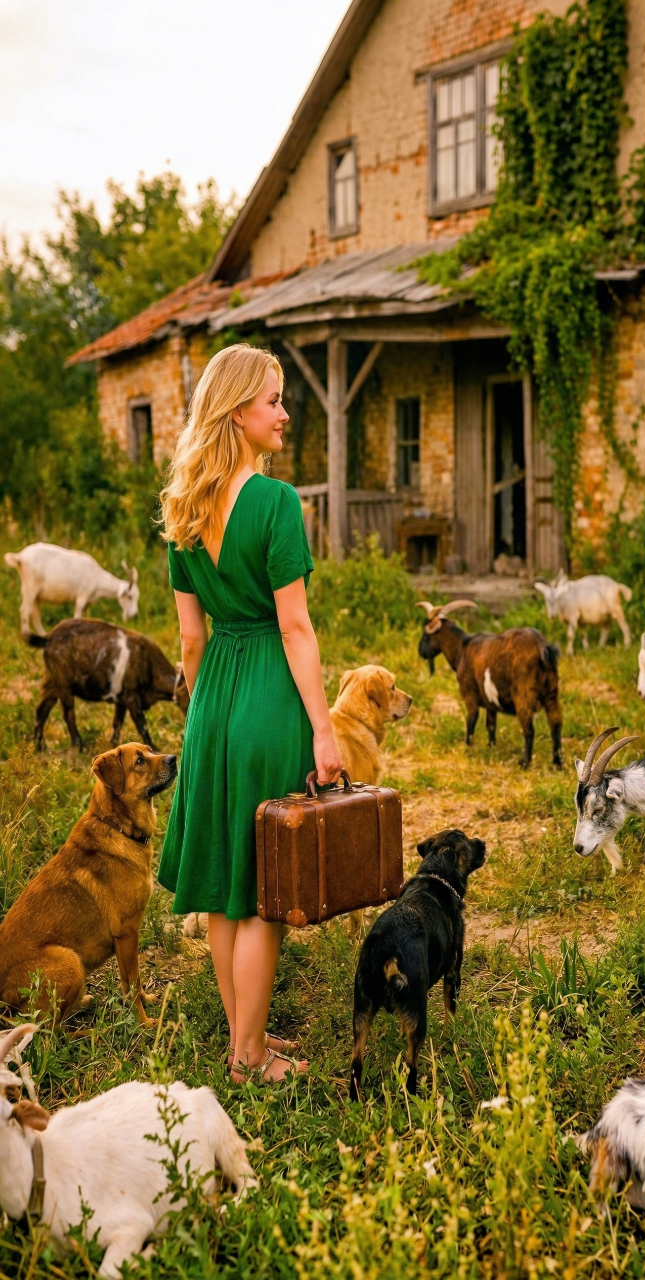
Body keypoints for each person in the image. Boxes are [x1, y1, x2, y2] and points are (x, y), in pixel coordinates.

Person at [158, 344, 342, 1083]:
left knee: (222, 886)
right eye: (273, 400)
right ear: (237, 410)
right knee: (265, 890)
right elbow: (295, 628)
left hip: (212, 705)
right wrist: (324, 730)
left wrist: (206, 727)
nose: (285, 413)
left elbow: (190, 642)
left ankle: (244, 1042)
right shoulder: (275, 503)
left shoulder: (182, 510)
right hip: (268, 693)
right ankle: (250, 1058)